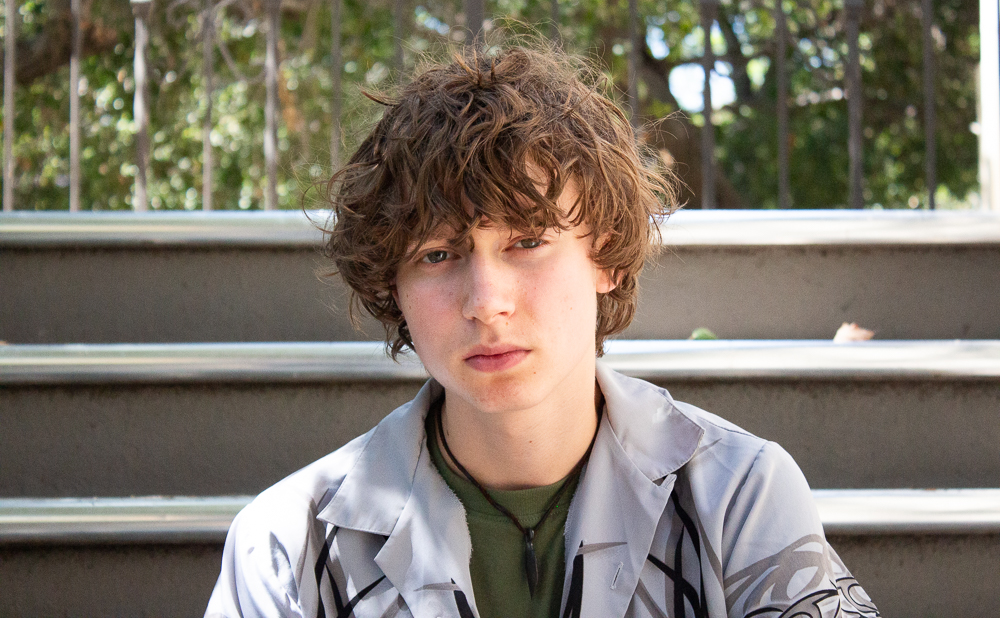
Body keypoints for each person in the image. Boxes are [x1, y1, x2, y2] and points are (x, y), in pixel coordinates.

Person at [205, 42, 879, 618]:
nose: (486, 302)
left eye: (527, 241)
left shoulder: (737, 496)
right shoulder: (289, 546)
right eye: (437, 255)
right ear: (394, 287)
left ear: (605, 256)